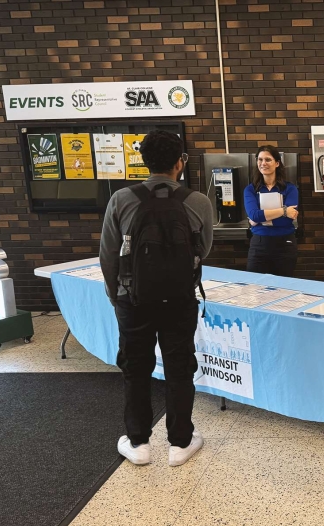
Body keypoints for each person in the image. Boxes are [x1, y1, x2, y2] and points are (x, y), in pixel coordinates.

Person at [99, 130, 215, 467]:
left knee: (136, 368)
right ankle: (180, 443)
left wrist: (116, 296)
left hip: (132, 300)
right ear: (180, 162)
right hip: (180, 299)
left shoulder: (121, 199)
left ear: (144, 162)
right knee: (180, 367)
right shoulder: (198, 201)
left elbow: (108, 256)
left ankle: (138, 444)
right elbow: (203, 249)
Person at [243, 145, 299, 276]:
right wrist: (284, 211)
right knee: (254, 288)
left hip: (285, 244)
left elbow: (287, 220)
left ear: (277, 163)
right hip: (259, 244)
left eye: (268, 160)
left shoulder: (290, 189)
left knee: (284, 288)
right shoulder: (250, 189)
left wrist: (260, 217)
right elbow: (254, 215)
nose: (263, 163)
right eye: (260, 159)